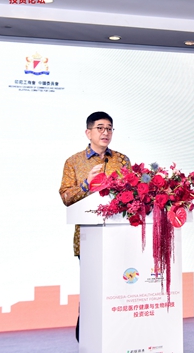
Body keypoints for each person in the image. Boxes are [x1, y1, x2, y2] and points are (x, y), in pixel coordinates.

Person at [59, 111, 131, 341]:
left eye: (109, 128)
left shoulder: (122, 160)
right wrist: (86, 184)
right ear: (88, 132)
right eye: (100, 128)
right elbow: (66, 198)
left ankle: (117, 336)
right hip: (88, 237)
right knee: (93, 291)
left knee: (119, 288)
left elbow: (131, 193)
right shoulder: (73, 162)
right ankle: (88, 339)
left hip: (119, 235)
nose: (105, 132)